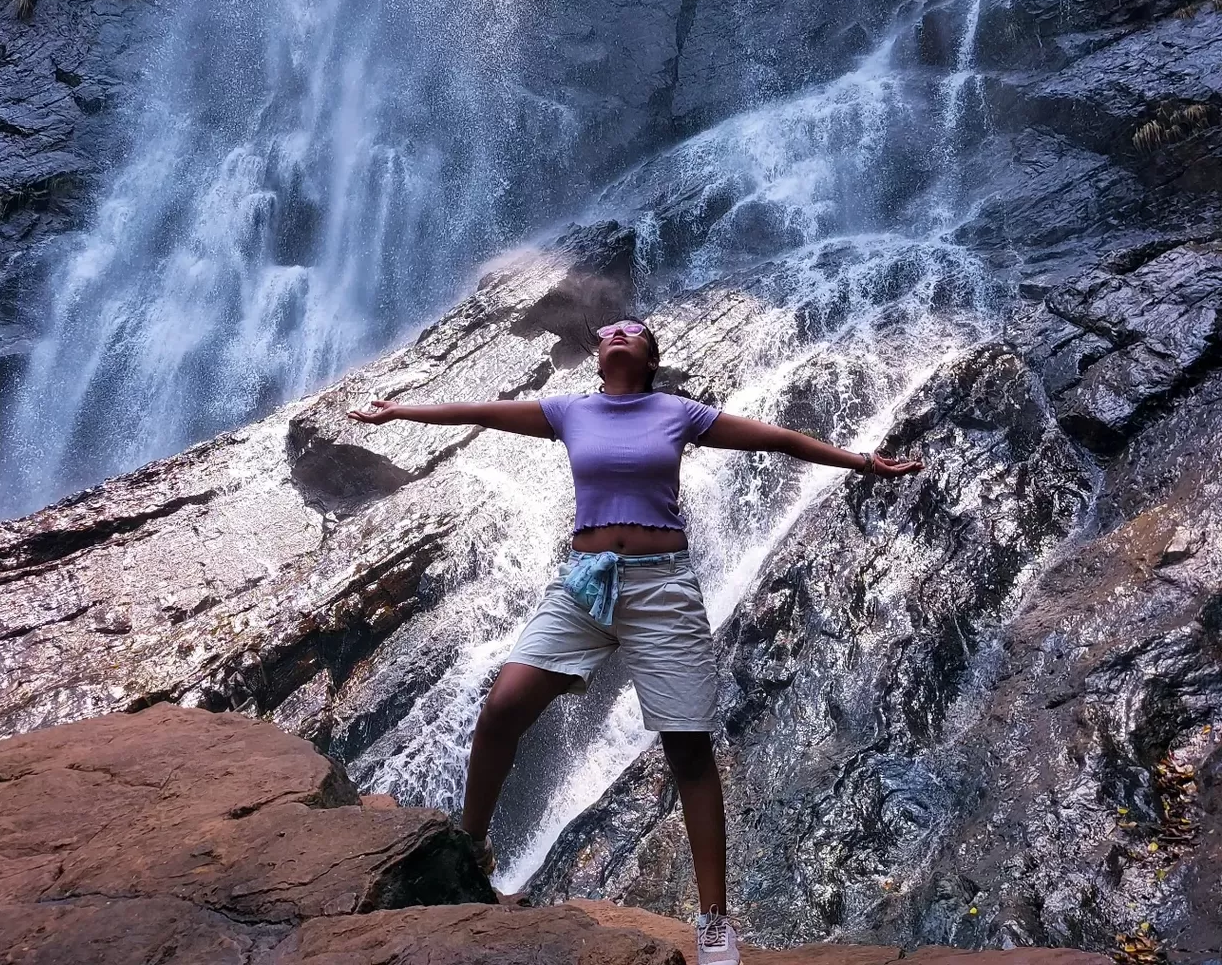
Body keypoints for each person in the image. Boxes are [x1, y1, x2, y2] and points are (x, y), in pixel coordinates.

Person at [349, 317, 922, 965]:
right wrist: (402, 412)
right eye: (610, 331)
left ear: (649, 357)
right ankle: (470, 851)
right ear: (598, 357)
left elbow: (779, 438)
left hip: (662, 588)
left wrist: (860, 461)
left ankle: (713, 922)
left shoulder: (678, 413)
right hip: (586, 585)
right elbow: (481, 411)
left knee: (688, 750)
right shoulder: (570, 412)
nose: (618, 333)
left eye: (632, 330)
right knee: (503, 708)